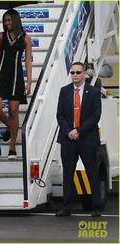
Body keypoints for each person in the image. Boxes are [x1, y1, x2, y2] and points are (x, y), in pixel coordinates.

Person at [56, 62, 102, 217]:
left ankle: (96, 207)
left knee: (91, 173)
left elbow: (95, 116)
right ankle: (66, 207)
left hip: (87, 138)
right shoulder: (64, 91)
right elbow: (60, 115)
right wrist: (69, 131)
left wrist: (79, 131)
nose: (74, 75)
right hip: (68, 138)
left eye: (77, 72)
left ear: (84, 74)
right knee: (68, 174)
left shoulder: (94, 92)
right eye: (72, 72)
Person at [0, 9, 32, 159]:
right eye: (5, 21)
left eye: (9, 20)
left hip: (16, 76)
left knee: (13, 110)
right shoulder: (1, 36)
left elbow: (28, 60)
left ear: (15, 20)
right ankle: (10, 126)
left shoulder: (26, 38)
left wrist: (28, 82)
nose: (7, 23)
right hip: (1, 74)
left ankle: (12, 147)